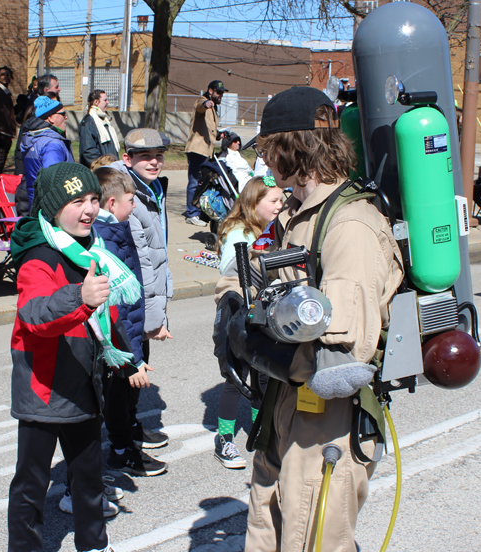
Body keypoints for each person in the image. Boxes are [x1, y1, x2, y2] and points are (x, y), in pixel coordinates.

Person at [214, 87, 404, 551]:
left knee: (309, 538)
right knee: (268, 526)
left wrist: (252, 347)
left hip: (327, 420)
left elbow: (341, 360)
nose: (265, 161)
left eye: (267, 150)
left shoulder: (349, 224)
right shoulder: (300, 215)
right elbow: (265, 281)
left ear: (287, 147)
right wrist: (231, 304)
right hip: (287, 407)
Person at [8, 162, 139, 552]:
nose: (89, 209)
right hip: (44, 391)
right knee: (31, 484)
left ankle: (94, 544)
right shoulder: (40, 256)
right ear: (52, 209)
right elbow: (33, 315)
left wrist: (129, 358)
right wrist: (78, 298)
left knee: (88, 478)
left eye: (94, 199)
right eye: (77, 201)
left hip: (85, 384)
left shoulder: (92, 250)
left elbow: (107, 315)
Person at [93, 166, 169, 475]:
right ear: (112, 204)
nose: (135, 205)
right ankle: (121, 452)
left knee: (123, 395)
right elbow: (115, 310)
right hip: (119, 343)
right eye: (130, 200)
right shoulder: (107, 240)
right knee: (116, 394)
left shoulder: (116, 230)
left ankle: (126, 441)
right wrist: (132, 357)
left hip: (129, 334)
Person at [105, 128, 173, 453]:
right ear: (128, 157)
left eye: (159, 155)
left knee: (136, 372)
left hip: (145, 304)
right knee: (126, 376)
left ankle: (130, 428)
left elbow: (160, 254)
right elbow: (140, 262)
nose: (154, 161)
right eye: (145, 156)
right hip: (133, 306)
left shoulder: (150, 188)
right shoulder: (127, 194)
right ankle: (122, 445)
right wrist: (155, 317)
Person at [214, 176, 282, 468]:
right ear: (255, 204)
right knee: (237, 377)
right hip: (239, 312)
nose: (280, 206)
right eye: (274, 201)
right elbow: (230, 275)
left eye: (282, 200)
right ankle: (225, 440)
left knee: (264, 374)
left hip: (265, 310)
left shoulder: (268, 228)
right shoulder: (240, 233)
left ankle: (261, 432)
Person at [184, 79, 229, 226]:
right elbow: (199, 106)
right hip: (197, 150)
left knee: (207, 180)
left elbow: (209, 130)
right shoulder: (203, 101)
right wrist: (206, 104)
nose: (220, 96)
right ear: (210, 91)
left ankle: (201, 210)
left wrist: (219, 135)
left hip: (206, 152)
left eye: (222, 94)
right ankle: (191, 214)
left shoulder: (214, 108)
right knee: (194, 181)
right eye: (218, 93)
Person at [20, 95, 74, 208]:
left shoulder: (34, 139)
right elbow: (54, 180)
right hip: (53, 208)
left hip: (36, 204)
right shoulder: (52, 144)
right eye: (62, 114)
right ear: (50, 118)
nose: (66, 117)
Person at [79, 90, 120, 168]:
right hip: (100, 171)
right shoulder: (89, 122)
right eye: (105, 100)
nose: (107, 102)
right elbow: (88, 151)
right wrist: (102, 167)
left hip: (110, 167)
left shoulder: (104, 120)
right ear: (96, 102)